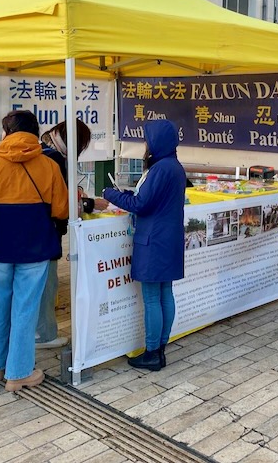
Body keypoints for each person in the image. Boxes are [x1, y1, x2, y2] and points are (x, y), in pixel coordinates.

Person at [0, 110, 69, 391]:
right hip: (35, 246)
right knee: (26, 308)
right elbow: (61, 209)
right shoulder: (49, 166)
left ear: (6, 132)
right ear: (34, 132)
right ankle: (20, 372)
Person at [102, 120, 186, 371]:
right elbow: (150, 199)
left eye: (148, 140)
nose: (146, 145)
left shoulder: (160, 169)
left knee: (151, 298)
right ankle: (160, 349)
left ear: (157, 141)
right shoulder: (174, 167)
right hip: (169, 239)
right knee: (165, 294)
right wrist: (128, 195)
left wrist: (110, 194)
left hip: (153, 240)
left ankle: (152, 353)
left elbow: (141, 205)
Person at [36, 119, 109, 349]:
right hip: (46, 231)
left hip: (31, 231)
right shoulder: (55, 158)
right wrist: (88, 203)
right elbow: (61, 202)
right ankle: (44, 335)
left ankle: (37, 333)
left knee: (36, 286)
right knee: (46, 284)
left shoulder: (42, 149)